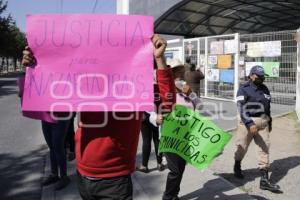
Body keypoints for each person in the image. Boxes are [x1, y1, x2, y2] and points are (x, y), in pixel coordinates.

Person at [22, 34, 176, 199]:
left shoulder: (136, 88)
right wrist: (35, 67)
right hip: (83, 174)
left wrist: (159, 59)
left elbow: (167, 105)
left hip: (115, 181)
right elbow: (46, 90)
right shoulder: (85, 83)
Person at [234, 65, 280, 192]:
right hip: (247, 122)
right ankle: (237, 164)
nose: (262, 78)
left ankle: (264, 180)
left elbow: (268, 107)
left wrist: (270, 122)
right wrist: (249, 123)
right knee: (242, 147)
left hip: (263, 122)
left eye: (263, 76)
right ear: (252, 76)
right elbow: (241, 108)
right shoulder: (243, 89)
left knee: (264, 148)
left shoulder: (265, 89)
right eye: (259, 76)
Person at [162, 59, 202, 200]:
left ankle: (174, 195)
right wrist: (156, 117)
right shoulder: (166, 89)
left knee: (181, 169)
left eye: (181, 71)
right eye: (176, 71)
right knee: (175, 171)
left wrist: (191, 93)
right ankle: (167, 197)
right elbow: (151, 108)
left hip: (186, 135)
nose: (180, 74)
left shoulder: (187, 89)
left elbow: (200, 106)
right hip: (170, 136)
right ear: (171, 73)